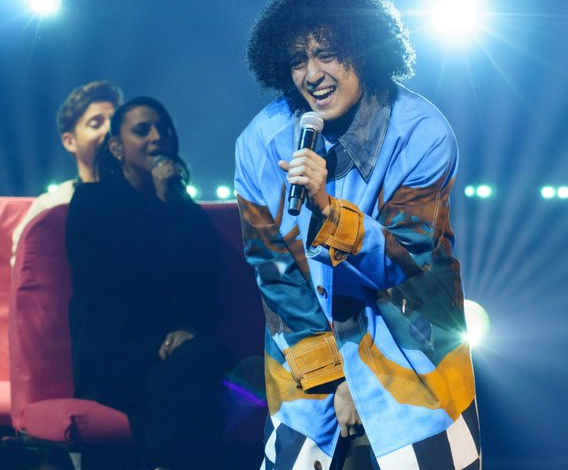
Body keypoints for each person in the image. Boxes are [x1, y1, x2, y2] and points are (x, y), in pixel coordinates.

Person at [235, 0, 481, 469]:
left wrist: (328, 212)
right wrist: (333, 379)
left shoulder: (421, 133)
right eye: (297, 59)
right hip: (307, 380)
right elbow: (276, 273)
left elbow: (404, 259)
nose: (312, 74)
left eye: (327, 53)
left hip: (412, 368)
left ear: (363, 48)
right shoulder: (259, 143)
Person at [66, 96, 231, 470]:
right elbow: (119, 276)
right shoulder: (91, 203)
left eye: (164, 130)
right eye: (143, 130)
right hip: (115, 352)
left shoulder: (186, 214)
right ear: (116, 148)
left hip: (176, 353)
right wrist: (158, 205)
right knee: (200, 371)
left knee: (206, 358)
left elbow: (206, 286)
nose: (158, 137)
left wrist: (189, 328)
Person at [11, 80, 123, 265]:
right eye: (96, 124)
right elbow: (26, 270)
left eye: (115, 123)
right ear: (70, 142)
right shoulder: (51, 206)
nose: (109, 131)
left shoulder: (146, 194)